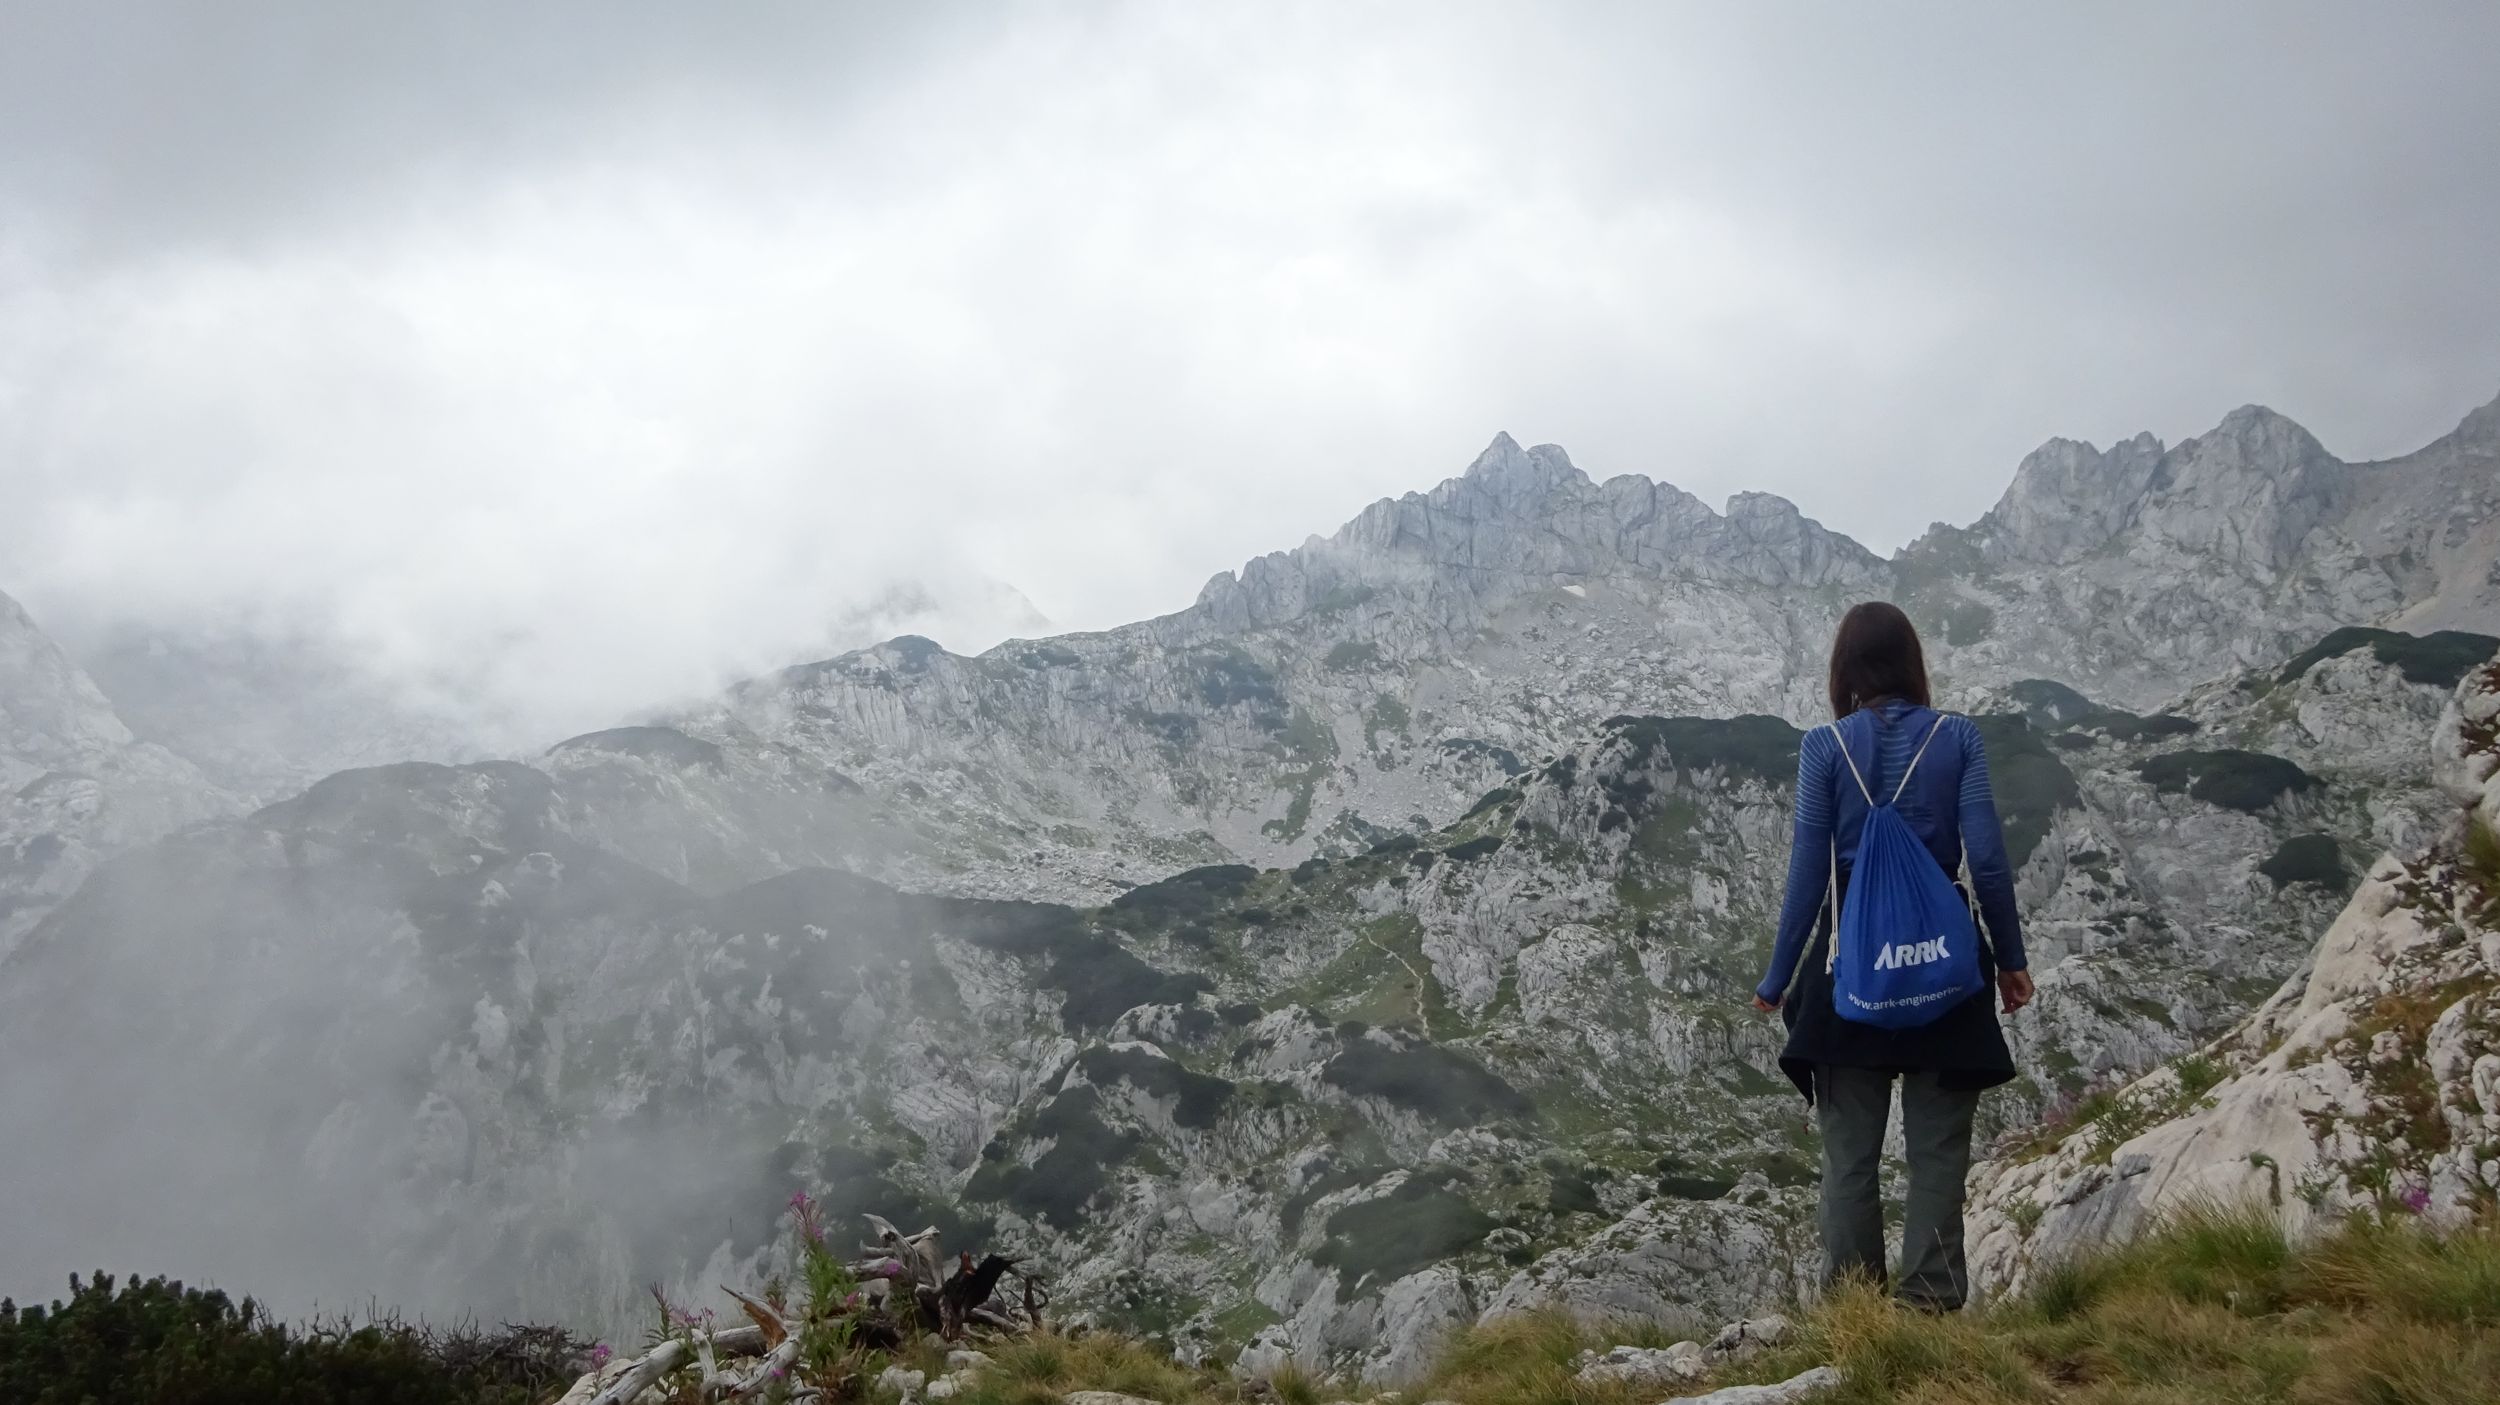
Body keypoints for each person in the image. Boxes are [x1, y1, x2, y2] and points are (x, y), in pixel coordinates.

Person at [1751, 600, 2034, 1312]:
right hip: (1946, 966)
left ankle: (1855, 1312)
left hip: (1848, 967)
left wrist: (1777, 978)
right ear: (1912, 662)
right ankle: (1928, 1307)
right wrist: (2009, 959)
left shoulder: (1824, 748)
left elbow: (1807, 874)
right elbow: (1988, 861)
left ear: (1844, 669)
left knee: (1849, 1155)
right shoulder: (1957, 737)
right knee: (1938, 1151)